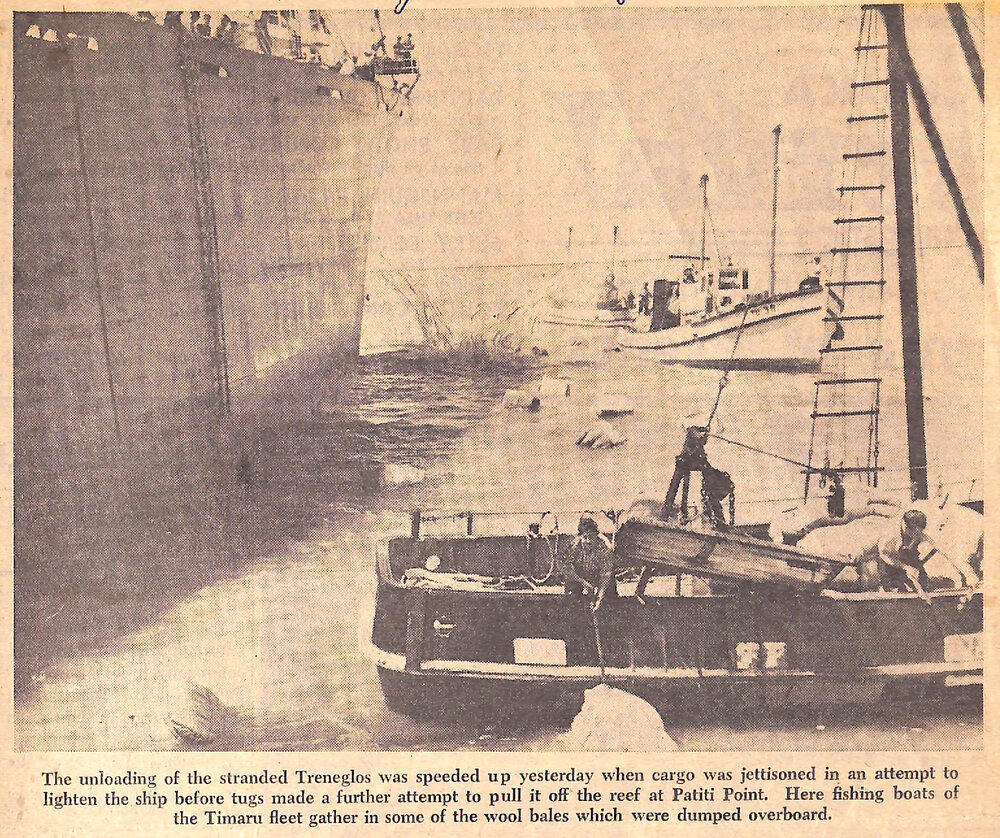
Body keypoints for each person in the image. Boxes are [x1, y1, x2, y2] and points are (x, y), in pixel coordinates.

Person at [877, 509, 980, 593]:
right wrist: (905, 567)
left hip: (908, 557)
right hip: (888, 560)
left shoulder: (921, 532)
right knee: (896, 592)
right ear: (906, 527)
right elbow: (884, 555)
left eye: (920, 532)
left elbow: (947, 552)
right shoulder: (890, 535)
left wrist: (969, 574)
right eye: (915, 533)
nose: (918, 536)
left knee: (923, 585)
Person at [560, 516, 617, 611]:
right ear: (580, 536)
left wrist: (598, 599)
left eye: (591, 537)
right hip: (580, 576)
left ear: (596, 535)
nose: (588, 541)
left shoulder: (604, 549)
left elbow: (605, 576)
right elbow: (566, 567)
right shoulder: (574, 546)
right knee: (571, 598)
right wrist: (583, 582)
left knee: (610, 598)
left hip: (599, 575)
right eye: (585, 537)